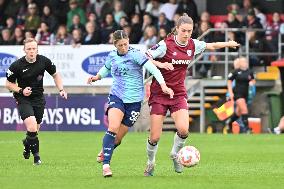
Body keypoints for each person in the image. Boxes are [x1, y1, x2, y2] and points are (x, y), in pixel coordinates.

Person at [143, 13, 240, 176]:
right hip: (159, 93)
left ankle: (175, 154)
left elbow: (212, 45)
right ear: (177, 30)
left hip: (178, 93)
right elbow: (145, 56)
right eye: (184, 31)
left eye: (190, 30)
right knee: (155, 137)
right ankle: (151, 162)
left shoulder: (193, 45)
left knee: (183, 130)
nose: (187, 34)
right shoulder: (165, 45)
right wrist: (161, 63)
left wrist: (228, 43)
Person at [87, 30, 174, 177]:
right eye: (120, 45)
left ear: (128, 41)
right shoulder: (112, 56)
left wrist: (163, 85)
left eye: (125, 44)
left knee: (118, 138)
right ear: (115, 45)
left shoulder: (136, 54)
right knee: (113, 127)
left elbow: (153, 69)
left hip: (134, 101)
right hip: (117, 96)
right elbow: (107, 68)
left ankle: (106, 148)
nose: (123, 47)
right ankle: (106, 165)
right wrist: (97, 76)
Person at [5, 38, 67, 165]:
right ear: (24, 50)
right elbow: (8, 84)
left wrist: (61, 89)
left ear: (37, 49)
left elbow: (55, 75)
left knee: (34, 131)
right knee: (32, 127)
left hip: (38, 98)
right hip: (23, 98)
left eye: (34, 48)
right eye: (29, 49)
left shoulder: (44, 61)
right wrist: (21, 90)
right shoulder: (16, 65)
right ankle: (37, 158)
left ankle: (26, 145)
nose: (32, 51)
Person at [227, 57, 255, 133]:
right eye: (243, 62)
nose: (245, 63)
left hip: (245, 94)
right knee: (244, 110)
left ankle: (229, 123)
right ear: (240, 63)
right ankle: (247, 129)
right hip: (238, 93)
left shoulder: (249, 72)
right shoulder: (236, 71)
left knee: (238, 112)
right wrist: (230, 92)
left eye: (245, 61)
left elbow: (253, 80)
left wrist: (252, 83)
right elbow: (229, 81)